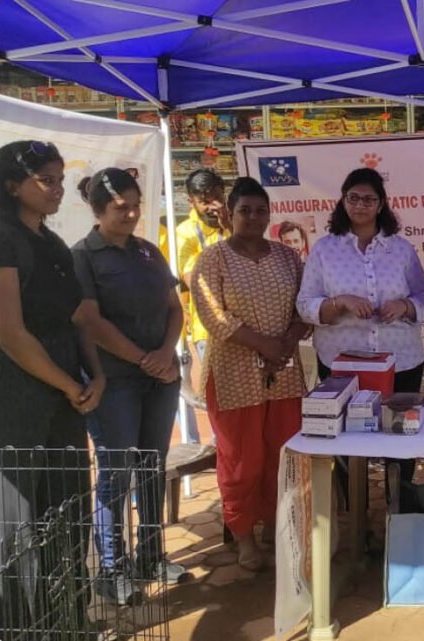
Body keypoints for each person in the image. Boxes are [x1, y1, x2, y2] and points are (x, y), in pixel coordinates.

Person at [0, 141, 104, 636]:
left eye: (61, 179)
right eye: (46, 179)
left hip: (64, 393)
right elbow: (9, 332)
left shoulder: (52, 243)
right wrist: (69, 383)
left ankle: (68, 619)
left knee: (68, 510)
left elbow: (77, 318)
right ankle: (20, 628)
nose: (58, 189)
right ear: (11, 185)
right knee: (17, 522)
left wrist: (95, 374)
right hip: (9, 398)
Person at [71, 168, 188, 604]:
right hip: (115, 382)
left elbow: (174, 308)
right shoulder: (83, 255)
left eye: (136, 204)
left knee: (151, 467)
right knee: (116, 472)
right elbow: (88, 321)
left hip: (160, 377)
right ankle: (111, 567)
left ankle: (152, 556)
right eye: (122, 207)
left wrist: (164, 353)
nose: (133, 213)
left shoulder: (148, 251)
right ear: (99, 208)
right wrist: (143, 358)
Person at [192, 177, 311, 571]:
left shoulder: (287, 258)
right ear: (229, 214)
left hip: (285, 370)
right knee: (242, 460)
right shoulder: (213, 259)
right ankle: (244, 539)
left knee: (284, 456)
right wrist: (264, 344)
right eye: (245, 210)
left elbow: (304, 307)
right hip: (233, 374)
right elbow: (212, 315)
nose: (254, 218)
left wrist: (288, 340)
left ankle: (276, 530)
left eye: (261, 210)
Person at [297, 167, 424, 485]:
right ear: (343, 202)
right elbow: (305, 306)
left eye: (369, 199)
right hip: (342, 364)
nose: (360, 205)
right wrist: (338, 302)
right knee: (347, 442)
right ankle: (354, 515)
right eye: (353, 198)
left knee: (399, 440)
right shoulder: (324, 250)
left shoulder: (400, 249)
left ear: (381, 204)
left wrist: (405, 305)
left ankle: (398, 507)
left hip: (401, 359)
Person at [172, 168, 229, 443]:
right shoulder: (184, 234)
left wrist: (231, 227)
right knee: (222, 403)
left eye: (217, 197)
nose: (212, 206)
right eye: (204, 200)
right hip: (210, 330)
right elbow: (195, 280)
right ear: (191, 200)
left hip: (252, 327)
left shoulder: (237, 224)